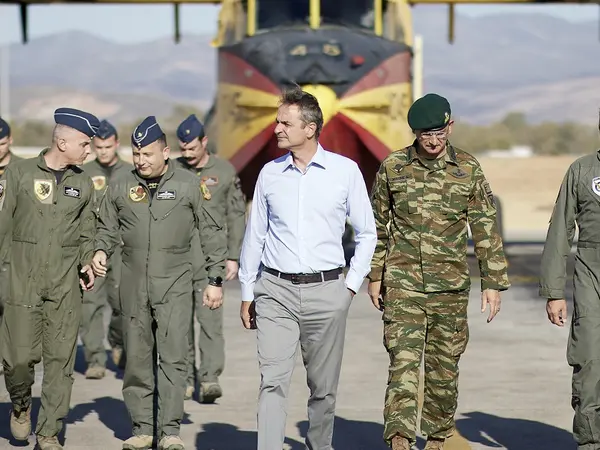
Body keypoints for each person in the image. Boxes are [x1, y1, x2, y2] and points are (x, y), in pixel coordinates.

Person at [368, 93, 510, 450]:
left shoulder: (467, 168)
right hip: (403, 285)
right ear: (414, 133)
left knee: (443, 369)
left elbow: (485, 227)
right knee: (402, 363)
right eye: (424, 134)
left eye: (438, 132)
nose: (432, 141)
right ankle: (399, 438)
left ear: (450, 126)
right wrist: (375, 274)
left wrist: (492, 283)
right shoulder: (393, 167)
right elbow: (376, 226)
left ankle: (436, 436)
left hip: (450, 288)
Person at [238, 86, 377, 450]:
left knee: (323, 389)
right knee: (272, 382)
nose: (276, 129)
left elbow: (367, 233)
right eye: (277, 122)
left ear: (310, 128)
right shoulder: (270, 174)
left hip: (327, 293)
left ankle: (319, 445)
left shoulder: (345, 172)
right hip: (275, 293)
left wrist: (349, 287)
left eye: (285, 123)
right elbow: (255, 236)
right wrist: (248, 291)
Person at [91, 116, 227, 450]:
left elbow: (211, 231)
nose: (141, 161)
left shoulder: (188, 184)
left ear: (165, 152)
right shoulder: (121, 183)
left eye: (148, 154)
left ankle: (169, 431)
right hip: (133, 282)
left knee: (173, 357)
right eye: (137, 154)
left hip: (175, 282)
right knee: (137, 358)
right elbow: (106, 226)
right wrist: (100, 250)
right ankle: (142, 428)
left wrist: (215, 278)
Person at [0, 108, 98, 450]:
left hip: (64, 286)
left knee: (60, 363)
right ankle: (21, 405)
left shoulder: (84, 183)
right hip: (21, 283)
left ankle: (49, 432)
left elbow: (87, 233)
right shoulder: (19, 174)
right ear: (63, 142)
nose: (89, 150)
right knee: (17, 360)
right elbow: (3, 228)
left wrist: (89, 260)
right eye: (84, 144)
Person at [174, 113, 247, 403]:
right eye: (183, 149)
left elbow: (236, 215)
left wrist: (233, 255)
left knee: (210, 322)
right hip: (178, 258)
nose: (188, 154)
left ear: (204, 141)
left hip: (210, 259)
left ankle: (209, 378)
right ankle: (184, 378)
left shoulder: (225, 172)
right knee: (179, 324)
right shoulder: (173, 171)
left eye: (192, 148)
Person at [539, 113, 600, 450]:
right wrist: (554, 292)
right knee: (590, 361)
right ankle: (591, 441)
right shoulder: (583, 170)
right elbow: (560, 230)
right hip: (592, 278)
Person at [80, 119, 132, 379]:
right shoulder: (83, 172)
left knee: (122, 303)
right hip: (92, 247)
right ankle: (95, 359)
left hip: (122, 248)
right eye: (98, 147)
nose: (103, 152)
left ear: (116, 144)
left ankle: (118, 341)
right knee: (90, 304)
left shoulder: (131, 172)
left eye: (107, 147)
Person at [0, 117, 23, 376]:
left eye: (1, 143)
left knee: (9, 306)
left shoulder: (22, 170)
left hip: (12, 251)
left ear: (10, 141)